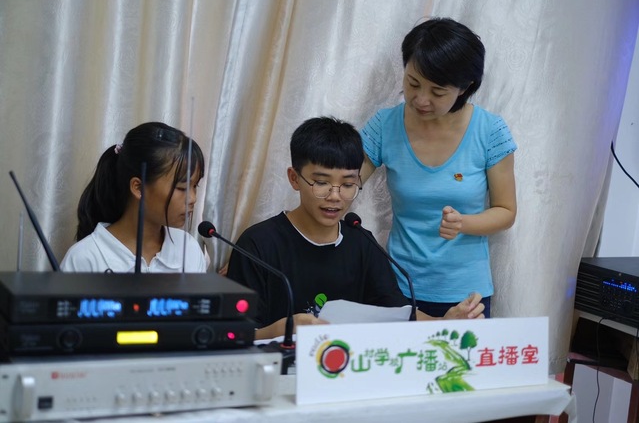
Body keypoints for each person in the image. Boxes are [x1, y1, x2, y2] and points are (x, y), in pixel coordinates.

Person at [226, 116, 484, 340]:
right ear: (294, 178)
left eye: (348, 185)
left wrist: (444, 322)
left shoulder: (361, 242)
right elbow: (234, 335)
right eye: (321, 183)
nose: (335, 196)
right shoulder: (258, 244)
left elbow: (398, 314)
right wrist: (283, 329)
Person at [359, 18, 517, 317]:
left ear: (465, 87)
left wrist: (463, 224)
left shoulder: (489, 131)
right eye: (412, 83)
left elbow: (506, 211)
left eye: (438, 91)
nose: (421, 99)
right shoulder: (384, 125)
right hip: (399, 286)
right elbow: (346, 182)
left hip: (465, 293)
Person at [61, 122, 207, 273]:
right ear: (138, 187)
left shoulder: (188, 249)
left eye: (195, 186)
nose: (192, 199)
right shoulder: (84, 258)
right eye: (182, 188)